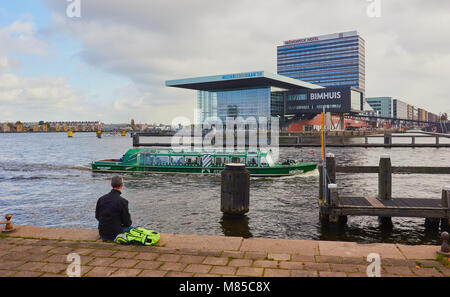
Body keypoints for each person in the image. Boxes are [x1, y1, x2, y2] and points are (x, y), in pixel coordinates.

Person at [95, 175, 134, 242]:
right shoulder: (123, 201)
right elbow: (127, 223)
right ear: (122, 185)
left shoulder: (101, 199)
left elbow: (97, 216)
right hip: (116, 234)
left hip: (102, 233)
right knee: (133, 228)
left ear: (111, 185)